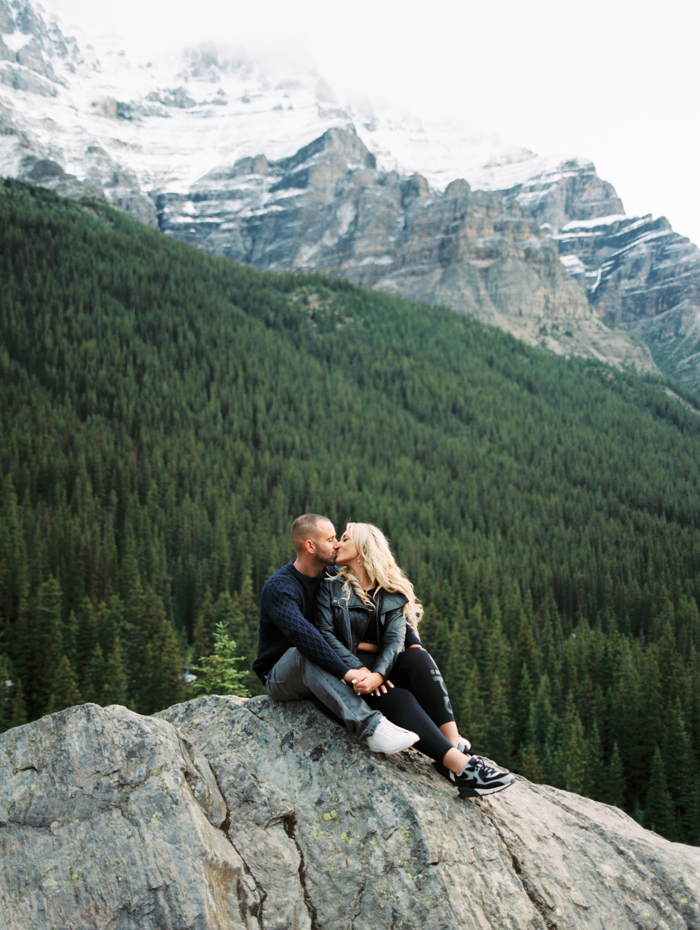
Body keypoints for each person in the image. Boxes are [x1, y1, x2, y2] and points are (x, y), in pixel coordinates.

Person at [313, 521, 515, 798]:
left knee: (417, 657)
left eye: (344, 539)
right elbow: (325, 635)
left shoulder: (392, 592)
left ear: (361, 550)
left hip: (379, 668)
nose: (337, 544)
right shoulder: (330, 587)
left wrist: (380, 674)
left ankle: (452, 746)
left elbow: (395, 641)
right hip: (348, 670)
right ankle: (460, 766)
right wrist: (363, 670)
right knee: (400, 697)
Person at [253, 513, 421, 754]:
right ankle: (372, 728)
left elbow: (374, 603)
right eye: (331, 539)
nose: (337, 544)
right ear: (310, 546)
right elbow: (306, 637)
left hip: (323, 669)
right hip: (280, 674)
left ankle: (441, 737)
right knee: (302, 654)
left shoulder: (331, 576)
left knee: (398, 672)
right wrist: (348, 673)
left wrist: (412, 642)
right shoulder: (280, 587)